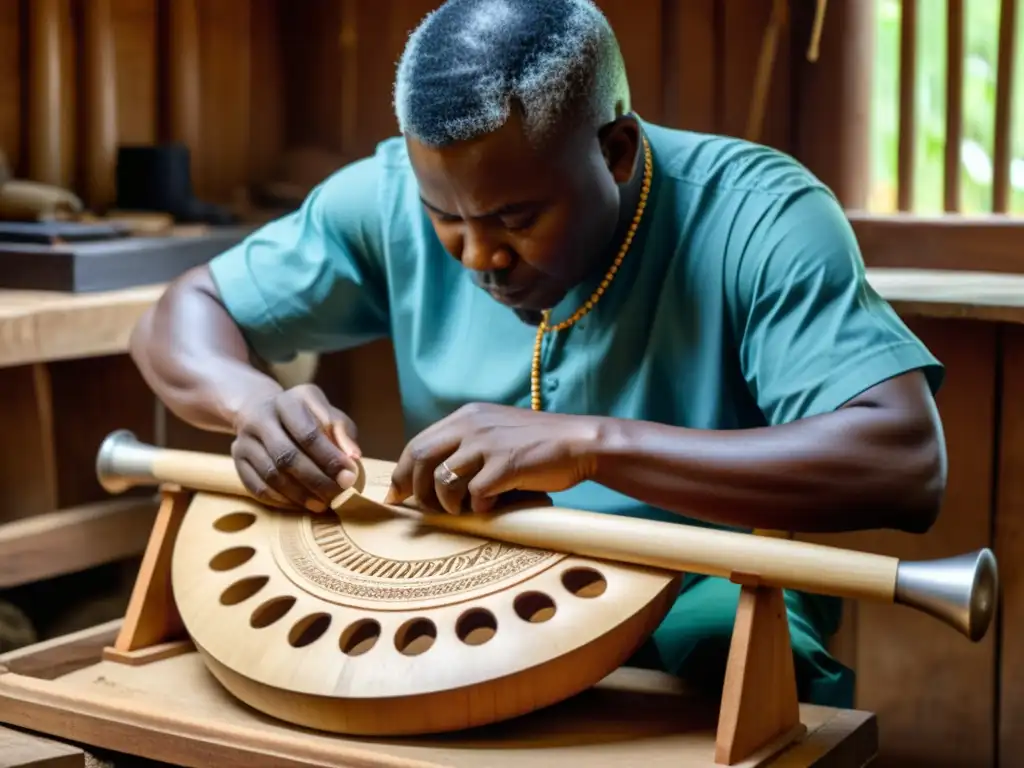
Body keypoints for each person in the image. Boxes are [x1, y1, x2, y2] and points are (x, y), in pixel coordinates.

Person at [129, 0, 947, 709]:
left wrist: (591, 446)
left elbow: (904, 459)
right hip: (464, 573)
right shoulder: (386, 196)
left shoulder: (759, 218)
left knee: (718, 662)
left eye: (517, 218)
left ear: (617, 150)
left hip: (705, 580)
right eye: (444, 216)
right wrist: (252, 406)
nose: (478, 254)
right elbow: (181, 312)